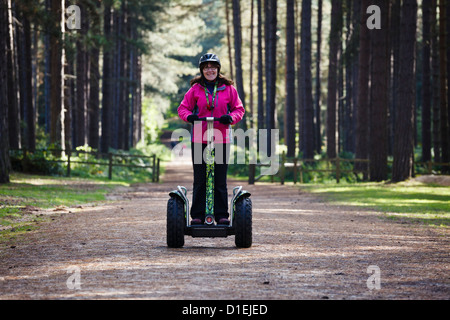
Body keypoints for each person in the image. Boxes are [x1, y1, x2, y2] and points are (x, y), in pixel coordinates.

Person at [178, 53, 245, 225]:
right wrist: (189, 117)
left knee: (220, 179)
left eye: (213, 67)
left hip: (222, 138)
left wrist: (230, 117)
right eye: (207, 67)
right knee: (200, 179)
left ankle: (221, 214)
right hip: (200, 138)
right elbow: (183, 108)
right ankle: (198, 215)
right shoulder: (195, 89)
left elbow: (239, 109)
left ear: (218, 69)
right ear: (202, 70)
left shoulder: (228, 88)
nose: (210, 70)